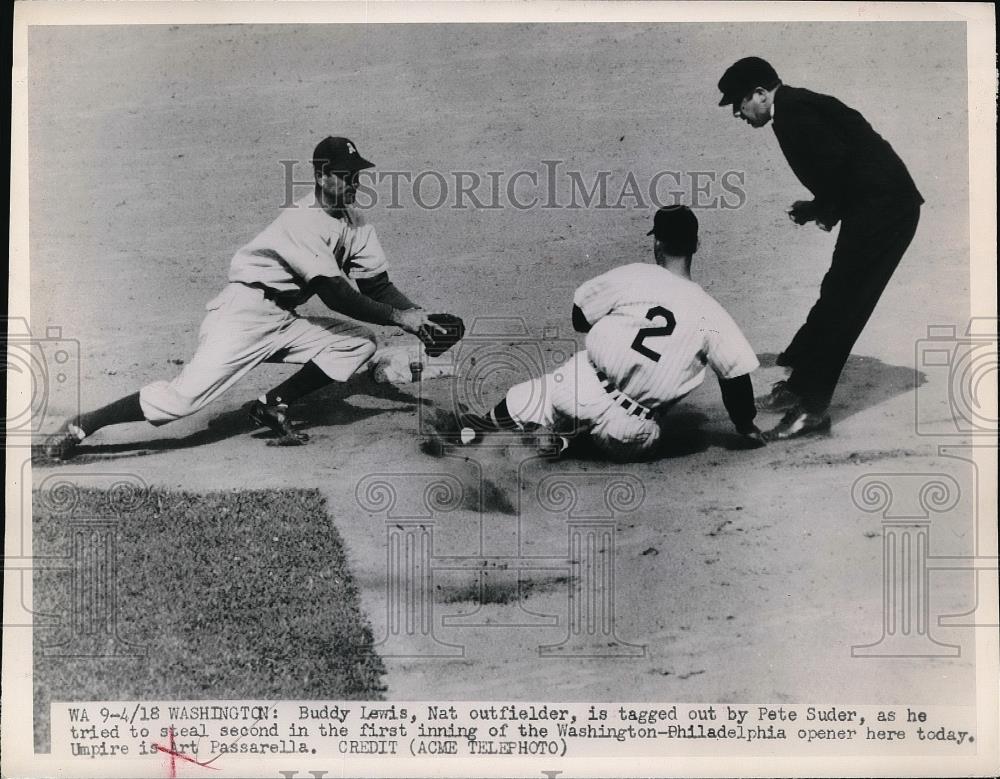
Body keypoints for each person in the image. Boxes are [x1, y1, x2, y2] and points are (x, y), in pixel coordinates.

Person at [44, 136, 445, 460]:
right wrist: (400, 319)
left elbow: (375, 286)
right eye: (345, 175)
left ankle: (272, 404)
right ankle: (86, 422)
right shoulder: (301, 221)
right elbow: (336, 295)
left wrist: (418, 317)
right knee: (179, 403)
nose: (354, 183)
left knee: (358, 342)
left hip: (283, 319)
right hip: (242, 315)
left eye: (357, 175)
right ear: (322, 176)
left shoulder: (357, 223)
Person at [447, 205, 766, 461]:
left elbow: (579, 317)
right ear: (696, 244)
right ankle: (565, 443)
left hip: (578, 389)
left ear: (657, 243)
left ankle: (481, 430)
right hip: (629, 431)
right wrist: (746, 426)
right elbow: (735, 377)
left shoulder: (636, 276)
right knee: (628, 437)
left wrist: (619, 324)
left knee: (526, 398)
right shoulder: (711, 314)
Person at [718, 56, 923, 439]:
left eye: (739, 103)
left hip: (886, 210)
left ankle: (811, 409)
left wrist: (824, 208)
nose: (737, 113)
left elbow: (840, 164)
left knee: (846, 303)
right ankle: (799, 387)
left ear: (760, 94)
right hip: (875, 205)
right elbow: (845, 162)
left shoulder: (794, 114)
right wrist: (820, 208)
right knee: (836, 294)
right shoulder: (794, 107)